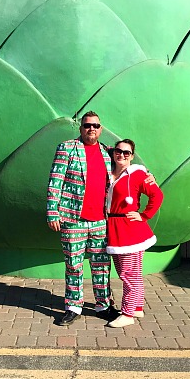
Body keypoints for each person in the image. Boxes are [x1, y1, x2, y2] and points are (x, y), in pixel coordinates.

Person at [46, 111, 120, 326]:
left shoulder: (108, 152)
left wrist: (147, 174)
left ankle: (103, 305)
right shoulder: (67, 148)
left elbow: (127, 166)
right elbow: (55, 180)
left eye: (95, 126)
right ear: (81, 128)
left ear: (101, 129)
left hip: (100, 222)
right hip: (73, 219)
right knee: (73, 265)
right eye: (87, 125)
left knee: (101, 265)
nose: (91, 129)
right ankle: (73, 306)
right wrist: (53, 211)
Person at [105, 139, 163, 328]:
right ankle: (137, 306)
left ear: (132, 155)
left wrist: (144, 215)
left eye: (126, 153)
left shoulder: (137, 174)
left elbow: (157, 195)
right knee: (133, 273)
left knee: (128, 274)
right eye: (118, 151)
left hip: (129, 229)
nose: (121, 155)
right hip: (114, 227)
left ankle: (127, 313)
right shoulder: (110, 171)